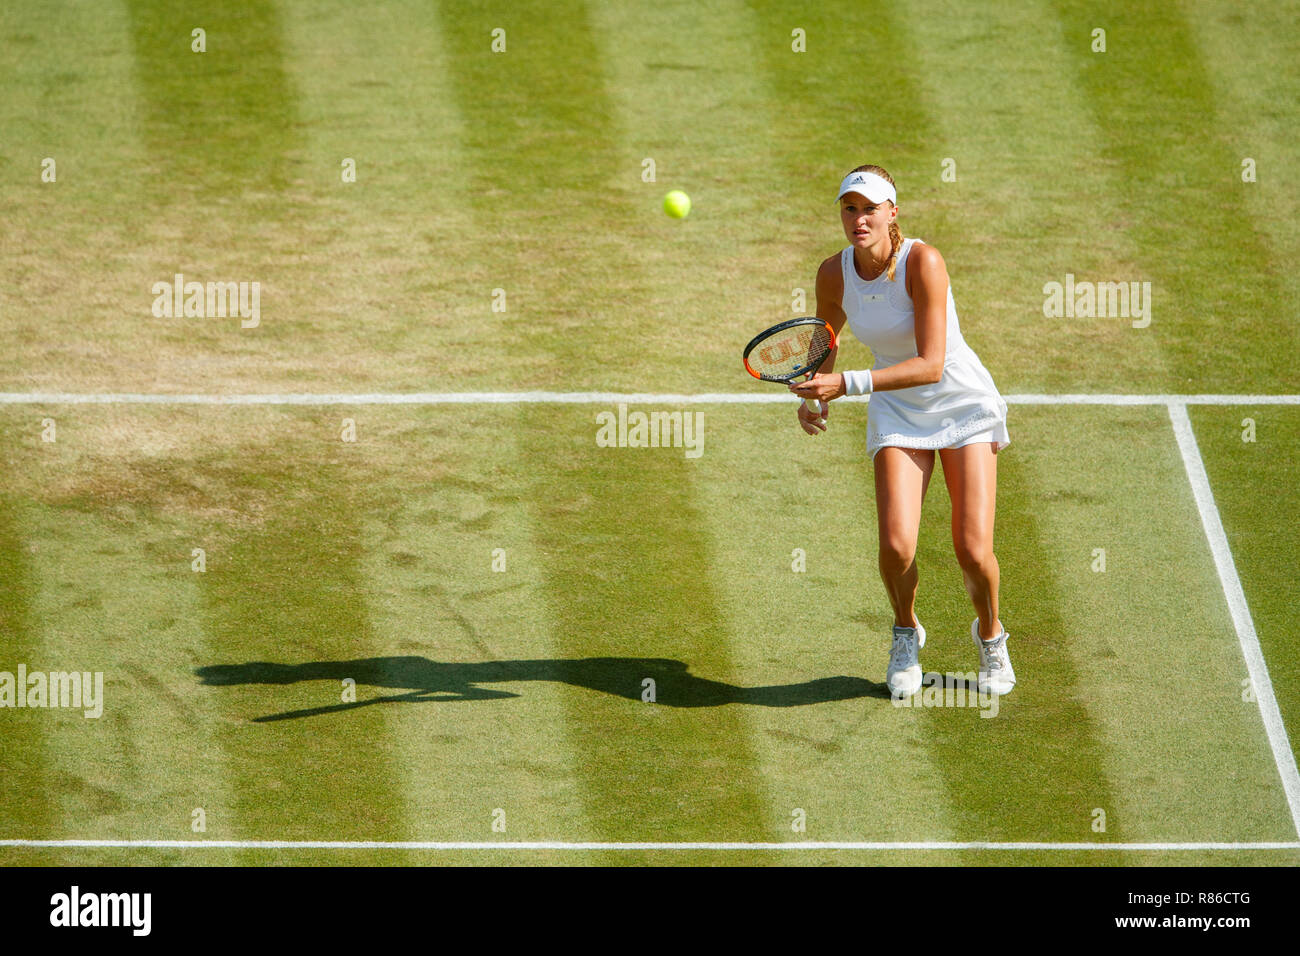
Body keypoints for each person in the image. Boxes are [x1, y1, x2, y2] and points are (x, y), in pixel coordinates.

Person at [790, 164, 1015, 699]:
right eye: (850, 208)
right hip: (897, 408)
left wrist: (845, 384)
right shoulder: (832, 273)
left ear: (893, 213)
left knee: (973, 550)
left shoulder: (924, 262)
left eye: (870, 209)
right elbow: (827, 334)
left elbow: (931, 364)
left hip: (961, 401)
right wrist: (813, 386)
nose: (859, 219)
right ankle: (905, 630)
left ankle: (990, 634)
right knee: (895, 546)